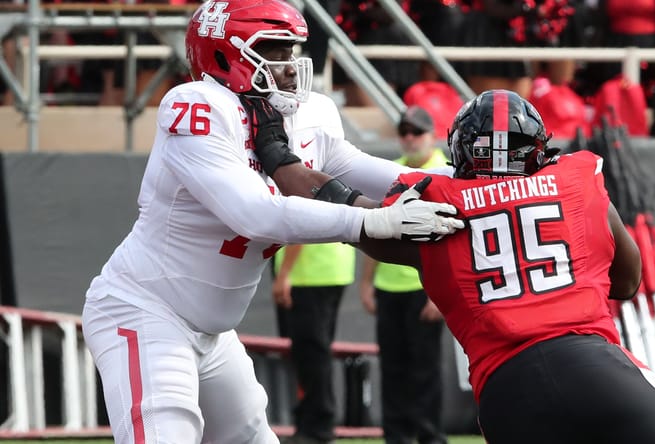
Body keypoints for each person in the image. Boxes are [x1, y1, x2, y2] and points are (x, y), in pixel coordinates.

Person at [79, 0, 464, 443]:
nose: (289, 65)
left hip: (213, 334)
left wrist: (475, 177)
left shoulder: (307, 116)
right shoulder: (196, 106)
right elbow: (255, 214)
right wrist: (366, 222)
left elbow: (392, 176)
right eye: (275, 51)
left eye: (291, 51)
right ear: (225, 55)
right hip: (145, 310)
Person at [350, 89, 655, 444]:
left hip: (505, 393)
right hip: (591, 367)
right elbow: (626, 282)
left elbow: (356, 224)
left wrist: (297, 167)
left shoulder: (436, 199)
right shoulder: (572, 181)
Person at [359, 106, 449, 444]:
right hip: (390, 286)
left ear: (431, 135)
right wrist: (367, 282)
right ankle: (396, 437)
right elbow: (377, 229)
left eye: (417, 132)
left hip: (423, 288)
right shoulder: (393, 173)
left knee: (425, 369)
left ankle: (429, 436)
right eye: (405, 132)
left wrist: (439, 293)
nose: (410, 138)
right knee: (393, 368)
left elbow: (450, 239)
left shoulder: (444, 173)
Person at [272, 243, 356, 444]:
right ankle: (312, 424)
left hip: (310, 273)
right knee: (314, 353)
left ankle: (317, 428)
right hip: (328, 268)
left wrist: (284, 273)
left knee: (312, 354)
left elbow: (298, 225)